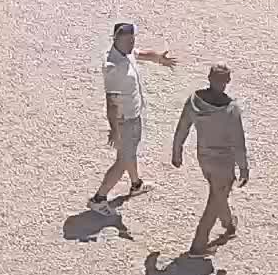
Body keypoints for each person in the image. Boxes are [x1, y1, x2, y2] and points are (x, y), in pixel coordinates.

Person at [88, 21, 177, 215]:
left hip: (133, 116)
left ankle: (136, 184)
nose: (131, 42)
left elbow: (139, 54)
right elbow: (111, 102)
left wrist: (158, 58)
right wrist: (114, 129)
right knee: (122, 161)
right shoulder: (113, 66)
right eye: (127, 39)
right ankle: (99, 199)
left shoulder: (126, 53)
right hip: (124, 121)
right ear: (116, 39)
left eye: (133, 38)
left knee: (130, 154)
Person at [171, 63, 250, 255]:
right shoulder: (231, 109)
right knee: (215, 199)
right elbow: (238, 142)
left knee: (217, 193)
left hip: (204, 157)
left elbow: (183, 127)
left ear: (209, 78)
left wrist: (177, 151)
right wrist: (244, 167)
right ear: (228, 81)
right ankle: (198, 245)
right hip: (223, 162)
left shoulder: (194, 101)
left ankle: (228, 224)